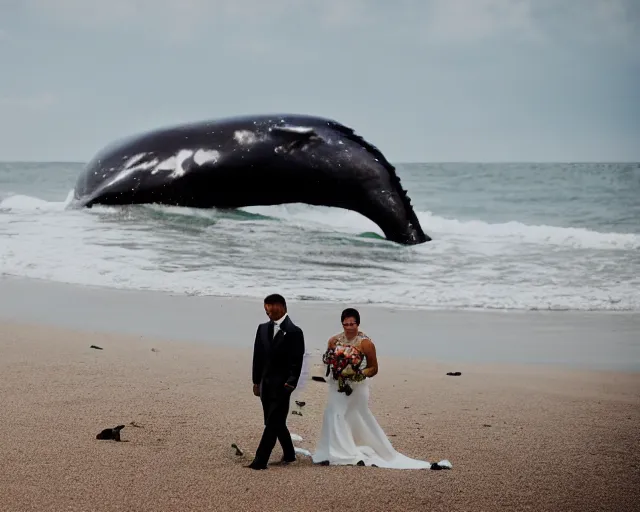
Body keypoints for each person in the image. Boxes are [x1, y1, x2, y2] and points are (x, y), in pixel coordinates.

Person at [311, 307, 432, 469]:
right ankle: (337, 451)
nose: (349, 327)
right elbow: (328, 361)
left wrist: (358, 373)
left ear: (358, 324)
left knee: (354, 415)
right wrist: (336, 369)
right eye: (346, 324)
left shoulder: (366, 343)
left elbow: (373, 368)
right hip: (337, 384)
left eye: (352, 324)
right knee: (334, 413)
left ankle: (350, 452)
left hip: (357, 386)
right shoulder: (333, 341)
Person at [247, 293, 305, 470]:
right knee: (275, 421)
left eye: (272, 307)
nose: (268, 311)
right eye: (266, 308)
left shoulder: (295, 332)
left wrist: (291, 382)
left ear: (282, 307)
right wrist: (256, 381)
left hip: (283, 386)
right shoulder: (262, 328)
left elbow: (297, 361)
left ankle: (260, 460)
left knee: (273, 422)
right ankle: (289, 453)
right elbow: (257, 357)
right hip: (265, 385)